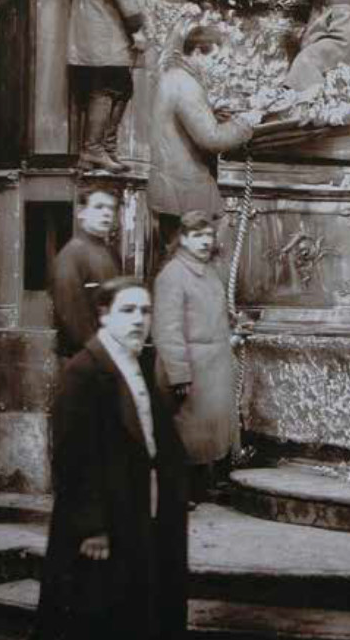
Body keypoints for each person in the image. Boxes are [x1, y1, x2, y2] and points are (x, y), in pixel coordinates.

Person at [34, 278, 188, 640]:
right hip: (100, 524)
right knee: (94, 615)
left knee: (132, 609)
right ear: (104, 315)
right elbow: (71, 456)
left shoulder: (135, 362)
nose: (138, 320)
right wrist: (92, 527)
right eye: (128, 310)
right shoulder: (85, 371)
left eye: (145, 311)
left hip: (134, 508)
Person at [146, 25, 254, 259]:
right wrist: (246, 123)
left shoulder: (174, 77)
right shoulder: (186, 84)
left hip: (173, 189)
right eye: (215, 59)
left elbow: (179, 125)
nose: (218, 66)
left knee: (178, 259)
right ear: (196, 52)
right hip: (184, 191)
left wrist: (211, 114)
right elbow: (211, 139)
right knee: (187, 262)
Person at [60, 0, 146, 173]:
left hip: (83, 24)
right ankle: (94, 149)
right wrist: (136, 28)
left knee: (114, 85)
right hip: (106, 22)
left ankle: (104, 149)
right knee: (110, 85)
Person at [153, 211, 236, 505]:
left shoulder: (209, 272)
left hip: (214, 365)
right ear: (184, 239)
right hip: (191, 364)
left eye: (208, 235)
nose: (204, 241)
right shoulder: (173, 275)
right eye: (197, 236)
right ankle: (181, 492)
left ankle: (203, 486)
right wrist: (178, 373)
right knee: (187, 431)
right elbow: (167, 328)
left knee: (209, 431)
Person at [51, 185, 121, 360]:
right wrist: (97, 352)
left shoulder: (111, 252)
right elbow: (71, 315)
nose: (106, 213)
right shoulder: (72, 254)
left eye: (111, 208)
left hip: (108, 351)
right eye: (99, 207)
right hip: (83, 357)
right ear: (81, 212)